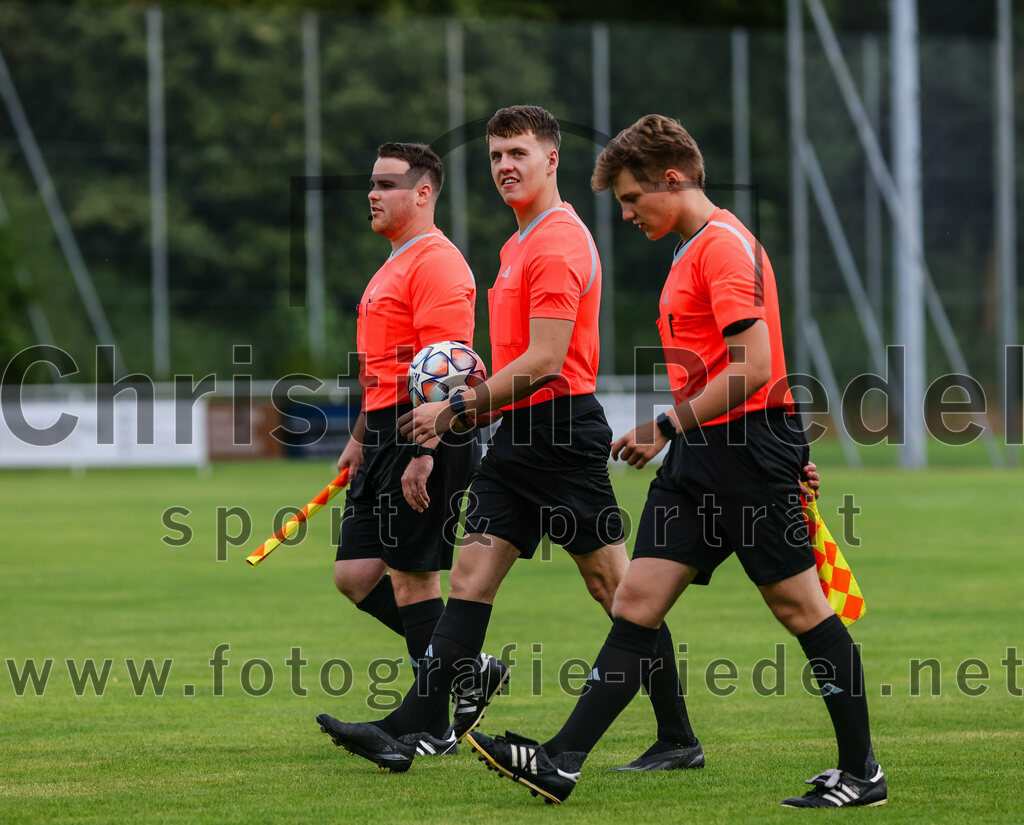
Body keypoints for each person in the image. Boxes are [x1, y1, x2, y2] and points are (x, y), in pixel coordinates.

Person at [466, 114, 885, 809]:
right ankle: (561, 760)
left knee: (799, 604)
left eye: (633, 199)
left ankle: (862, 770)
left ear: (673, 178)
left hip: (745, 448)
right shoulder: (689, 249)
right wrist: (686, 433)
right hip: (705, 453)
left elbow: (753, 367)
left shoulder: (723, 248)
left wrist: (668, 423)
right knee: (636, 599)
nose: (627, 214)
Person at [316, 104, 705, 775]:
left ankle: (677, 736)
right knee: (469, 577)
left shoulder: (555, 241)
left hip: (560, 431)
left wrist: (454, 410)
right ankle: (411, 724)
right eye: (495, 155)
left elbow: (547, 360)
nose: (504, 167)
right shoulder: (517, 243)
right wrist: (470, 410)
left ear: (551, 159)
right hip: (520, 432)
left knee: (615, 588)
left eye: (517, 154)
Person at [329, 142, 481, 757]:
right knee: (356, 574)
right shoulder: (394, 262)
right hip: (385, 432)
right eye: (371, 183)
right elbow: (386, 371)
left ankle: (433, 726)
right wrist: (359, 439)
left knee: (414, 578)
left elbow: (445, 375)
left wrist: (426, 449)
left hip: (424, 434)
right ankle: (463, 669)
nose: (373, 193)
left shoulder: (438, 265)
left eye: (388, 184)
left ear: (423, 194)